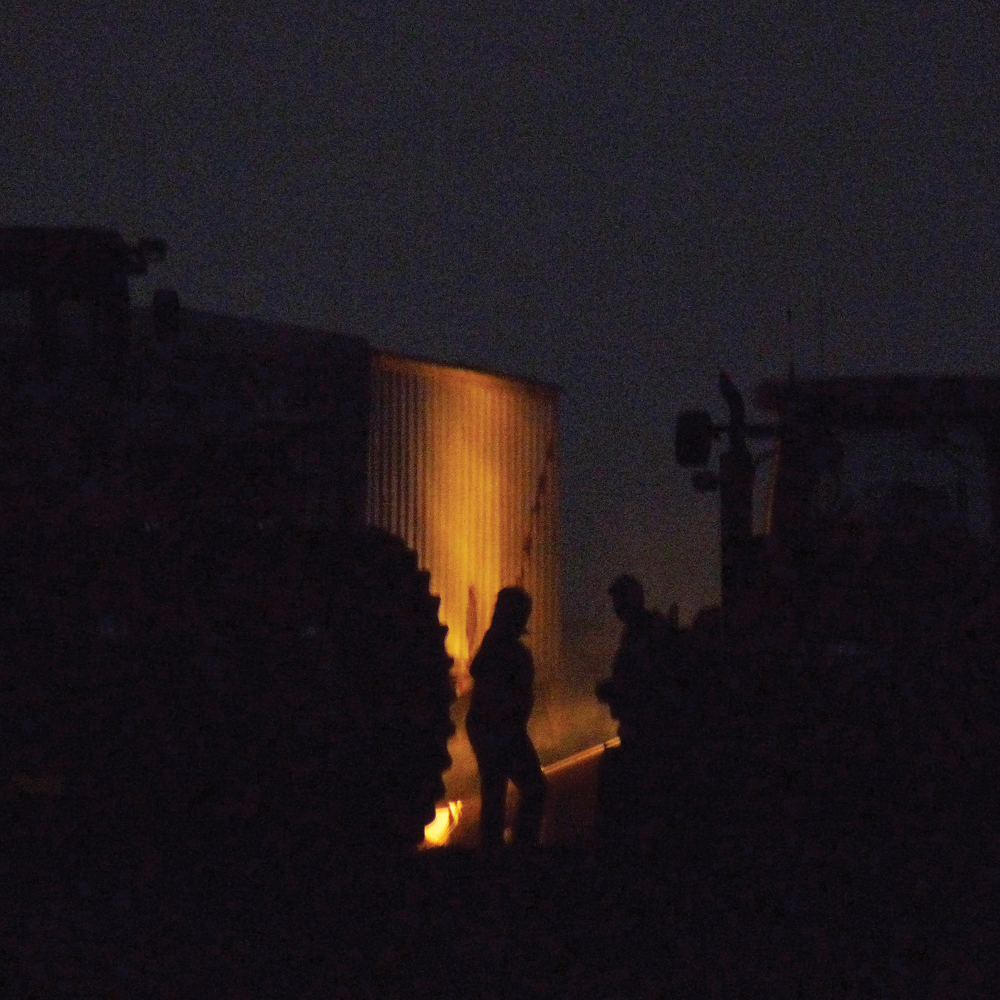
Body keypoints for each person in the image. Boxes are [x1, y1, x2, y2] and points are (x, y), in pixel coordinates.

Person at [465, 586, 547, 853]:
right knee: (530, 789)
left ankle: (496, 853)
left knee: (495, 791)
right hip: (501, 729)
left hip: (492, 728)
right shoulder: (507, 648)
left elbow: (478, 670)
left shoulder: (496, 643)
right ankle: (519, 849)